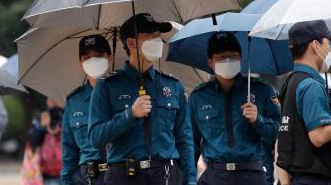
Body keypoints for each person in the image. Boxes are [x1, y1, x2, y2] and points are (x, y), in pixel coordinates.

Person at [88, 13, 196, 185]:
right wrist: (129, 114)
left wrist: (191, 180)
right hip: (123, 175)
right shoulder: (107, 86)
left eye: (158, 37)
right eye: (150, 37)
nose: (157, 42)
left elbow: (185, 138)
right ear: (131, 43)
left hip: (166, 175)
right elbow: (95, 137)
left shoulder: (173, 85)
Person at [276, 20, 331, 185]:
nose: (330, 49)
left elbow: (282, 141)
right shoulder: (311, 86)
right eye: (328, 43)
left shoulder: (290, 83)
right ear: (316, 45)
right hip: (315, 178)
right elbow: (318, 136)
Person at [189, 31, 280, 185]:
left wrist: (259, 120)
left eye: (233, 56)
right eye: (222, 57)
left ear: (241, 58)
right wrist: (189, 179)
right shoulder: (198, 97)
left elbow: (279, 133)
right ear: (210, 62)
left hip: (252, 174)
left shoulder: (261, 90)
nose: (228, 60)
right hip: (214, 176)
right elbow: (190, 143)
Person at [61, 35, 113, 185]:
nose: (93, 60)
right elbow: (69, 151)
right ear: (81, 63)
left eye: (98, 55)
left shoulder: (125, 93)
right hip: (87, 178)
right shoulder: (74, 101)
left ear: (110, 58)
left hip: (122, 174)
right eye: (87, 57)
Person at [28, 104, 64, 185]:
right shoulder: (42, 116)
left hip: (67, 172)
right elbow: (32, 141)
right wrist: (42, 127)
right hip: (46, 174)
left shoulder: (69, 113)